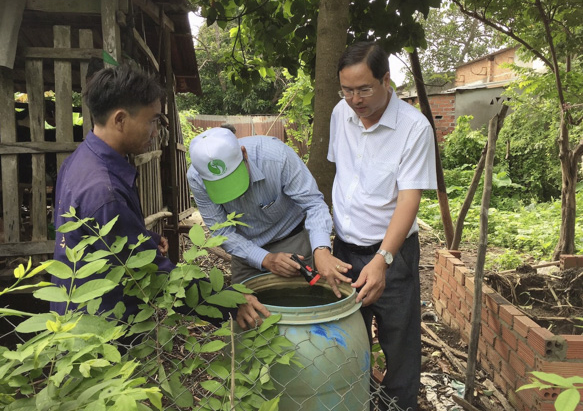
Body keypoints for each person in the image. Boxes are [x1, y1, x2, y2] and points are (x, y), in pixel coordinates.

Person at [50, 64, 265, 330]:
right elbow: (153, 274)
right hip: (102, 326)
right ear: (120, 119)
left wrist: (145, 239)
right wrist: (228, 301)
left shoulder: (78, 162)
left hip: (71, 309)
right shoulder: (104, 191)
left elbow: (95, 235)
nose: (155, 132)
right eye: (152, 120)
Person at [328, 42, 437, 410]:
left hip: (393, 256)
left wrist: (383, 259)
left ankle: (399, 406)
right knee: (345, 339)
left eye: (364, 89)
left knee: (399, 345)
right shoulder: (339, 113)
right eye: (346, 89)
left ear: (386, 80)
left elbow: (409, 199)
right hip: (344, 251)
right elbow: (341, 175)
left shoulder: (414, 128)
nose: (354, 99)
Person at [187, 127, 351, 294]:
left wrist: (321, 250)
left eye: (234, 178)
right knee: (246, 312)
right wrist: (264, 259)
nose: (234, 193)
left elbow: (313, 204)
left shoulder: (277, 157)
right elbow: (221, 231)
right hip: (244, 250)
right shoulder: (196, 177)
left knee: (300, 305)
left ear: (244, 154)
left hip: (291, 239)